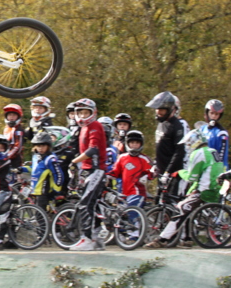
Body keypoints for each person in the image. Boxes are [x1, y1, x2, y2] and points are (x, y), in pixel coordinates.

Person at [145, 129, 223, 248]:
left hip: (206, 189)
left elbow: (191, 177)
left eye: (188, 143)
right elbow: (204, 174)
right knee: (187, 203)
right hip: (215, 188)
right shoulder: (212, 151)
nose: (188, 146)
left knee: (180, 208)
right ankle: (187, 238)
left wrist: (179, 172)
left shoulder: (198, 153)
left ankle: (163, 239)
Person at [70, 98, 107, 251]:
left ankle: (87, 239)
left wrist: (74, 161)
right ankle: (97, 238)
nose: (83, 116)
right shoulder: (83, 128)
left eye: (86, 112)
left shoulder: (95, 126)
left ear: (93, 113)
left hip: (96, 170)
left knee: (85, 203)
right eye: (80, 113)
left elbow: (93, 150)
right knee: (91, 204)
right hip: (88, 170)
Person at [145, 91, 186, 195]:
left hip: (173, 174)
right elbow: (161, 147)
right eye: (157, 109)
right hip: (161, 172)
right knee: (159, 203)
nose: (158, 112)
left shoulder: (177, 126)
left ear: (169, 109)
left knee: (170, 205)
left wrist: (168, 172)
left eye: (161, 110)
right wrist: (155, 164)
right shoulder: (161, 124)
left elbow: (179, 152)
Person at [108, 130, 153, 210]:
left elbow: (153, 171)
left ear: (141, 144)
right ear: (127, 143)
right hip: (123, 193)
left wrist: (146, 176)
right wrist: (107, 176)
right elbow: (115, 172)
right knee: (119, 216)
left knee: (131, 213)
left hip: (138, 193)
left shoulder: (144, 159)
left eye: (137, 143)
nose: (134, 145)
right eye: (132, 143)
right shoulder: (122, 157)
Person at [29, 131, 65, 211]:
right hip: (36, 191)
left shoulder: (50, 159)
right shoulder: (36, 157)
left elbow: (59, 174)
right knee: (42, 214)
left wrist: (56, 190)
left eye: (43, 145)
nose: (41, 148)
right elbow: (33, 169)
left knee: (40, 217)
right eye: (38, 146)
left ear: (48, 146)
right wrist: (21, 169)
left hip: (44, 192)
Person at [200, 99, 230, 169]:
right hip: (202, 166)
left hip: (215, 168)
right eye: (212, 113)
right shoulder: (202, 129)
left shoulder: (222, 133)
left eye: (216, 114)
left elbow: (222, 155)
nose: (213, 116)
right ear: (207, 113)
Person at [3, 104, 25, 169]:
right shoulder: (6, 129)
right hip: (5, 157)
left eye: (14, 115)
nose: (11, 117)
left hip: (15, 160)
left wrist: (8, 155)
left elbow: (18, 147)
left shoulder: (18, 130)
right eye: (9, 115)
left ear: (18, 117)